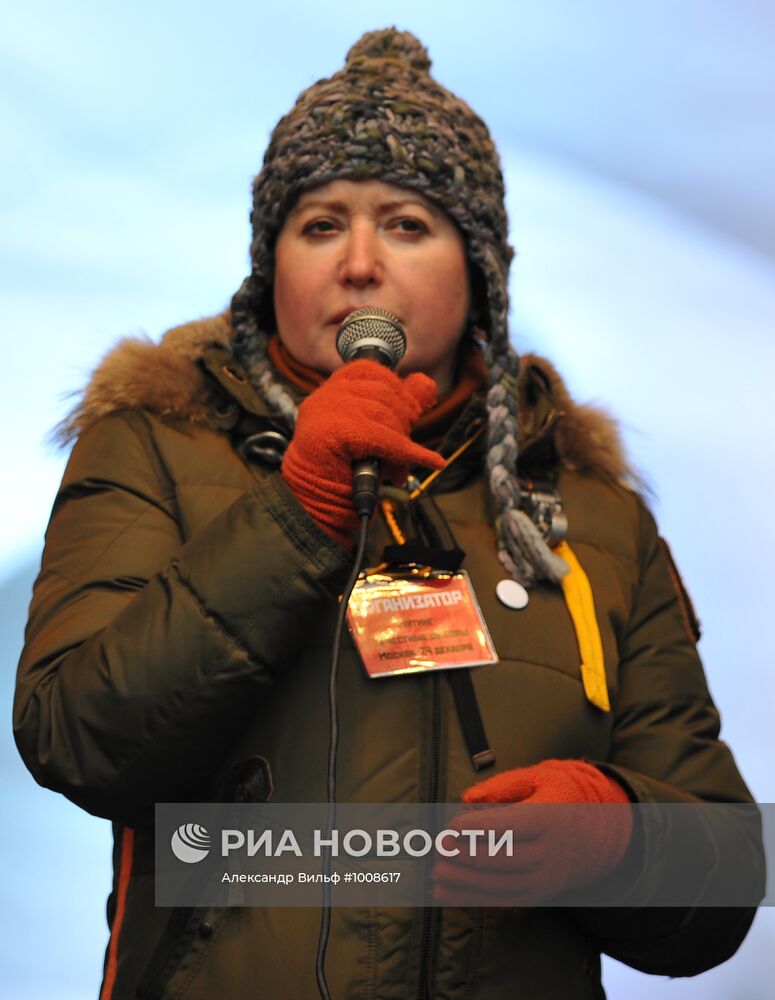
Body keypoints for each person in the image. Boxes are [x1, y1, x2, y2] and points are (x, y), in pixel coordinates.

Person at [14, 27, 764, 1000]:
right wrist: (298, 512)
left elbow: (728, 880)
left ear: (482, 272)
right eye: (320, 224)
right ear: (267, 266)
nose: (359, 263)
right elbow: (76, 734)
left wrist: (616, 834)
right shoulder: (154, 446)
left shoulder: (594, 517)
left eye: (407, 225)